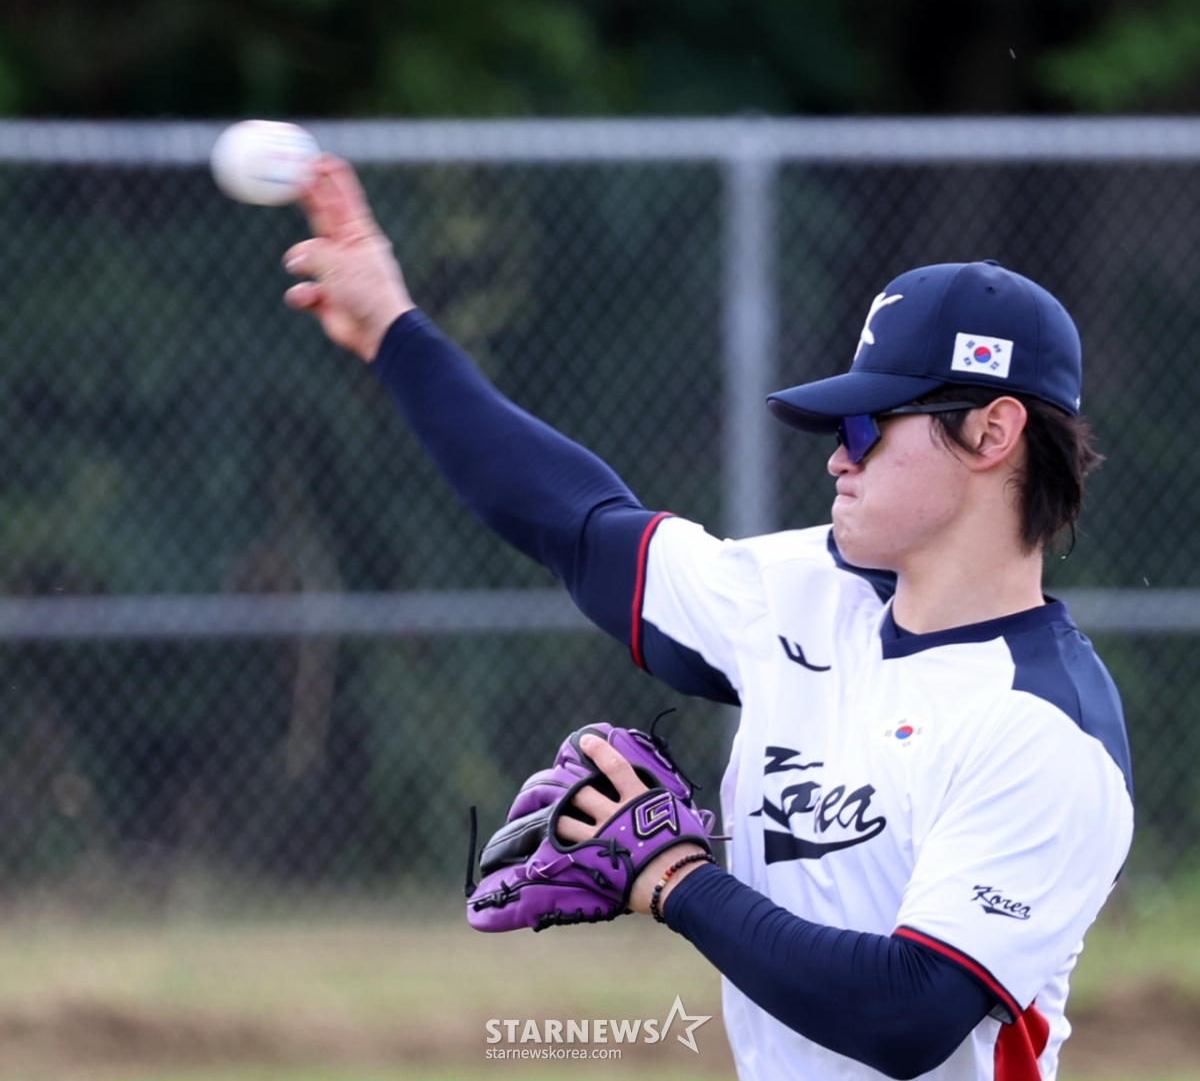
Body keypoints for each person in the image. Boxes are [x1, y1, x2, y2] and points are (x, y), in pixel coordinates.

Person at [282, 156, 1133, 1081]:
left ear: (992, 433)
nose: (837, 459)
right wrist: (392, 327)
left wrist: (676, 879)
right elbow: (572, 522)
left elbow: (909, 1011)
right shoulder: (806, 593)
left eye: (866, 426)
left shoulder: (1044, 727)